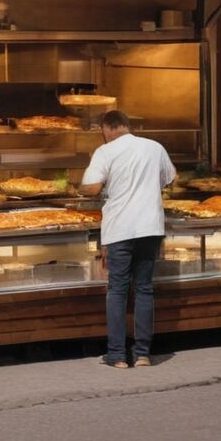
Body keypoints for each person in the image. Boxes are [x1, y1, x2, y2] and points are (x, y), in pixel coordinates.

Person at [79, 110, 176, 369]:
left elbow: (92, 188)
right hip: (150, 227)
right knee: (144, 288)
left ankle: (118, 355)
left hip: (120, 228)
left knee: (118, 290)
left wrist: (75, 187)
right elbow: (170, 179)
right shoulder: (154, 147)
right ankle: (143, 354)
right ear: (126, 126)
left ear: (106, 128)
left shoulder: (105, 151)